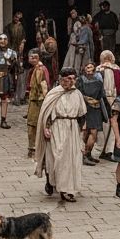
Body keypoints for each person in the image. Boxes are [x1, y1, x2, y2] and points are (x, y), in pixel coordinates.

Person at [34, 67, 86, 203]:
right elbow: (47, 112)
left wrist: (82, 134)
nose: (72, 81)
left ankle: (66, 189)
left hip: (72, 128)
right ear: (61, 79)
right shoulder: (54, 94)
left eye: (74, 79)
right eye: (69, 78)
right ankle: (50, 179)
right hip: (57, 128)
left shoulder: (77, 94)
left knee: (71, 160)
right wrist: (46, 127)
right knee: (57, 157)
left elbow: (82, 114)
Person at [79, 61, 107, 166]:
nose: (89, 69)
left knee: (94, 133)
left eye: (91, 67)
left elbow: (101, 95)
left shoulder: (98, 82)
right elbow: (79, 93)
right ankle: (85, 154)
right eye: (87, 67)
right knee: (88, 132)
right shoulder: (81, 80)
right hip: (86, 109)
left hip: (96, 109)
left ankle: (88, 153)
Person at [25, 49, 51, 159]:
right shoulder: (34, 69)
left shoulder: (40, 69)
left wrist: (46, 101)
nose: (32, 59)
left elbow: (44, 85)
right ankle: (33, 148)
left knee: (36, 125)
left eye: (35, 57)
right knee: (32, 124)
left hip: (39, 101)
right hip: (33, 100)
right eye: (31, 57)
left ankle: (37, 149)